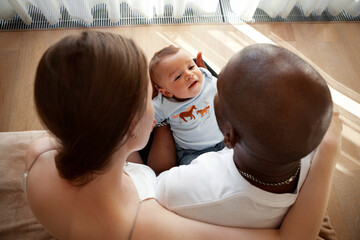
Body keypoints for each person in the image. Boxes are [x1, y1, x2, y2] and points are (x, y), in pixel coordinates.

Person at [24, 31, 341, 240]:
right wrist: (326, 152)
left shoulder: (38, 155)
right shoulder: (143, 219)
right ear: (133, 127)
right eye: (150, 99)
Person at [156, 44, 334, 228]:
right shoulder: (315, 150)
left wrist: (163, 123)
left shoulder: (186, 186)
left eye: (220, 90)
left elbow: (155, 184)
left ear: (229, 136)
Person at [148, 46, 225, 169]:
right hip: (192, 152)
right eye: (178, 77)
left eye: (191, 66)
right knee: (194, 173)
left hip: (224, 140)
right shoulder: (163, 104)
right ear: (166, 92)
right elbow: (145, 118)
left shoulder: (208, 79)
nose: (189, 74)